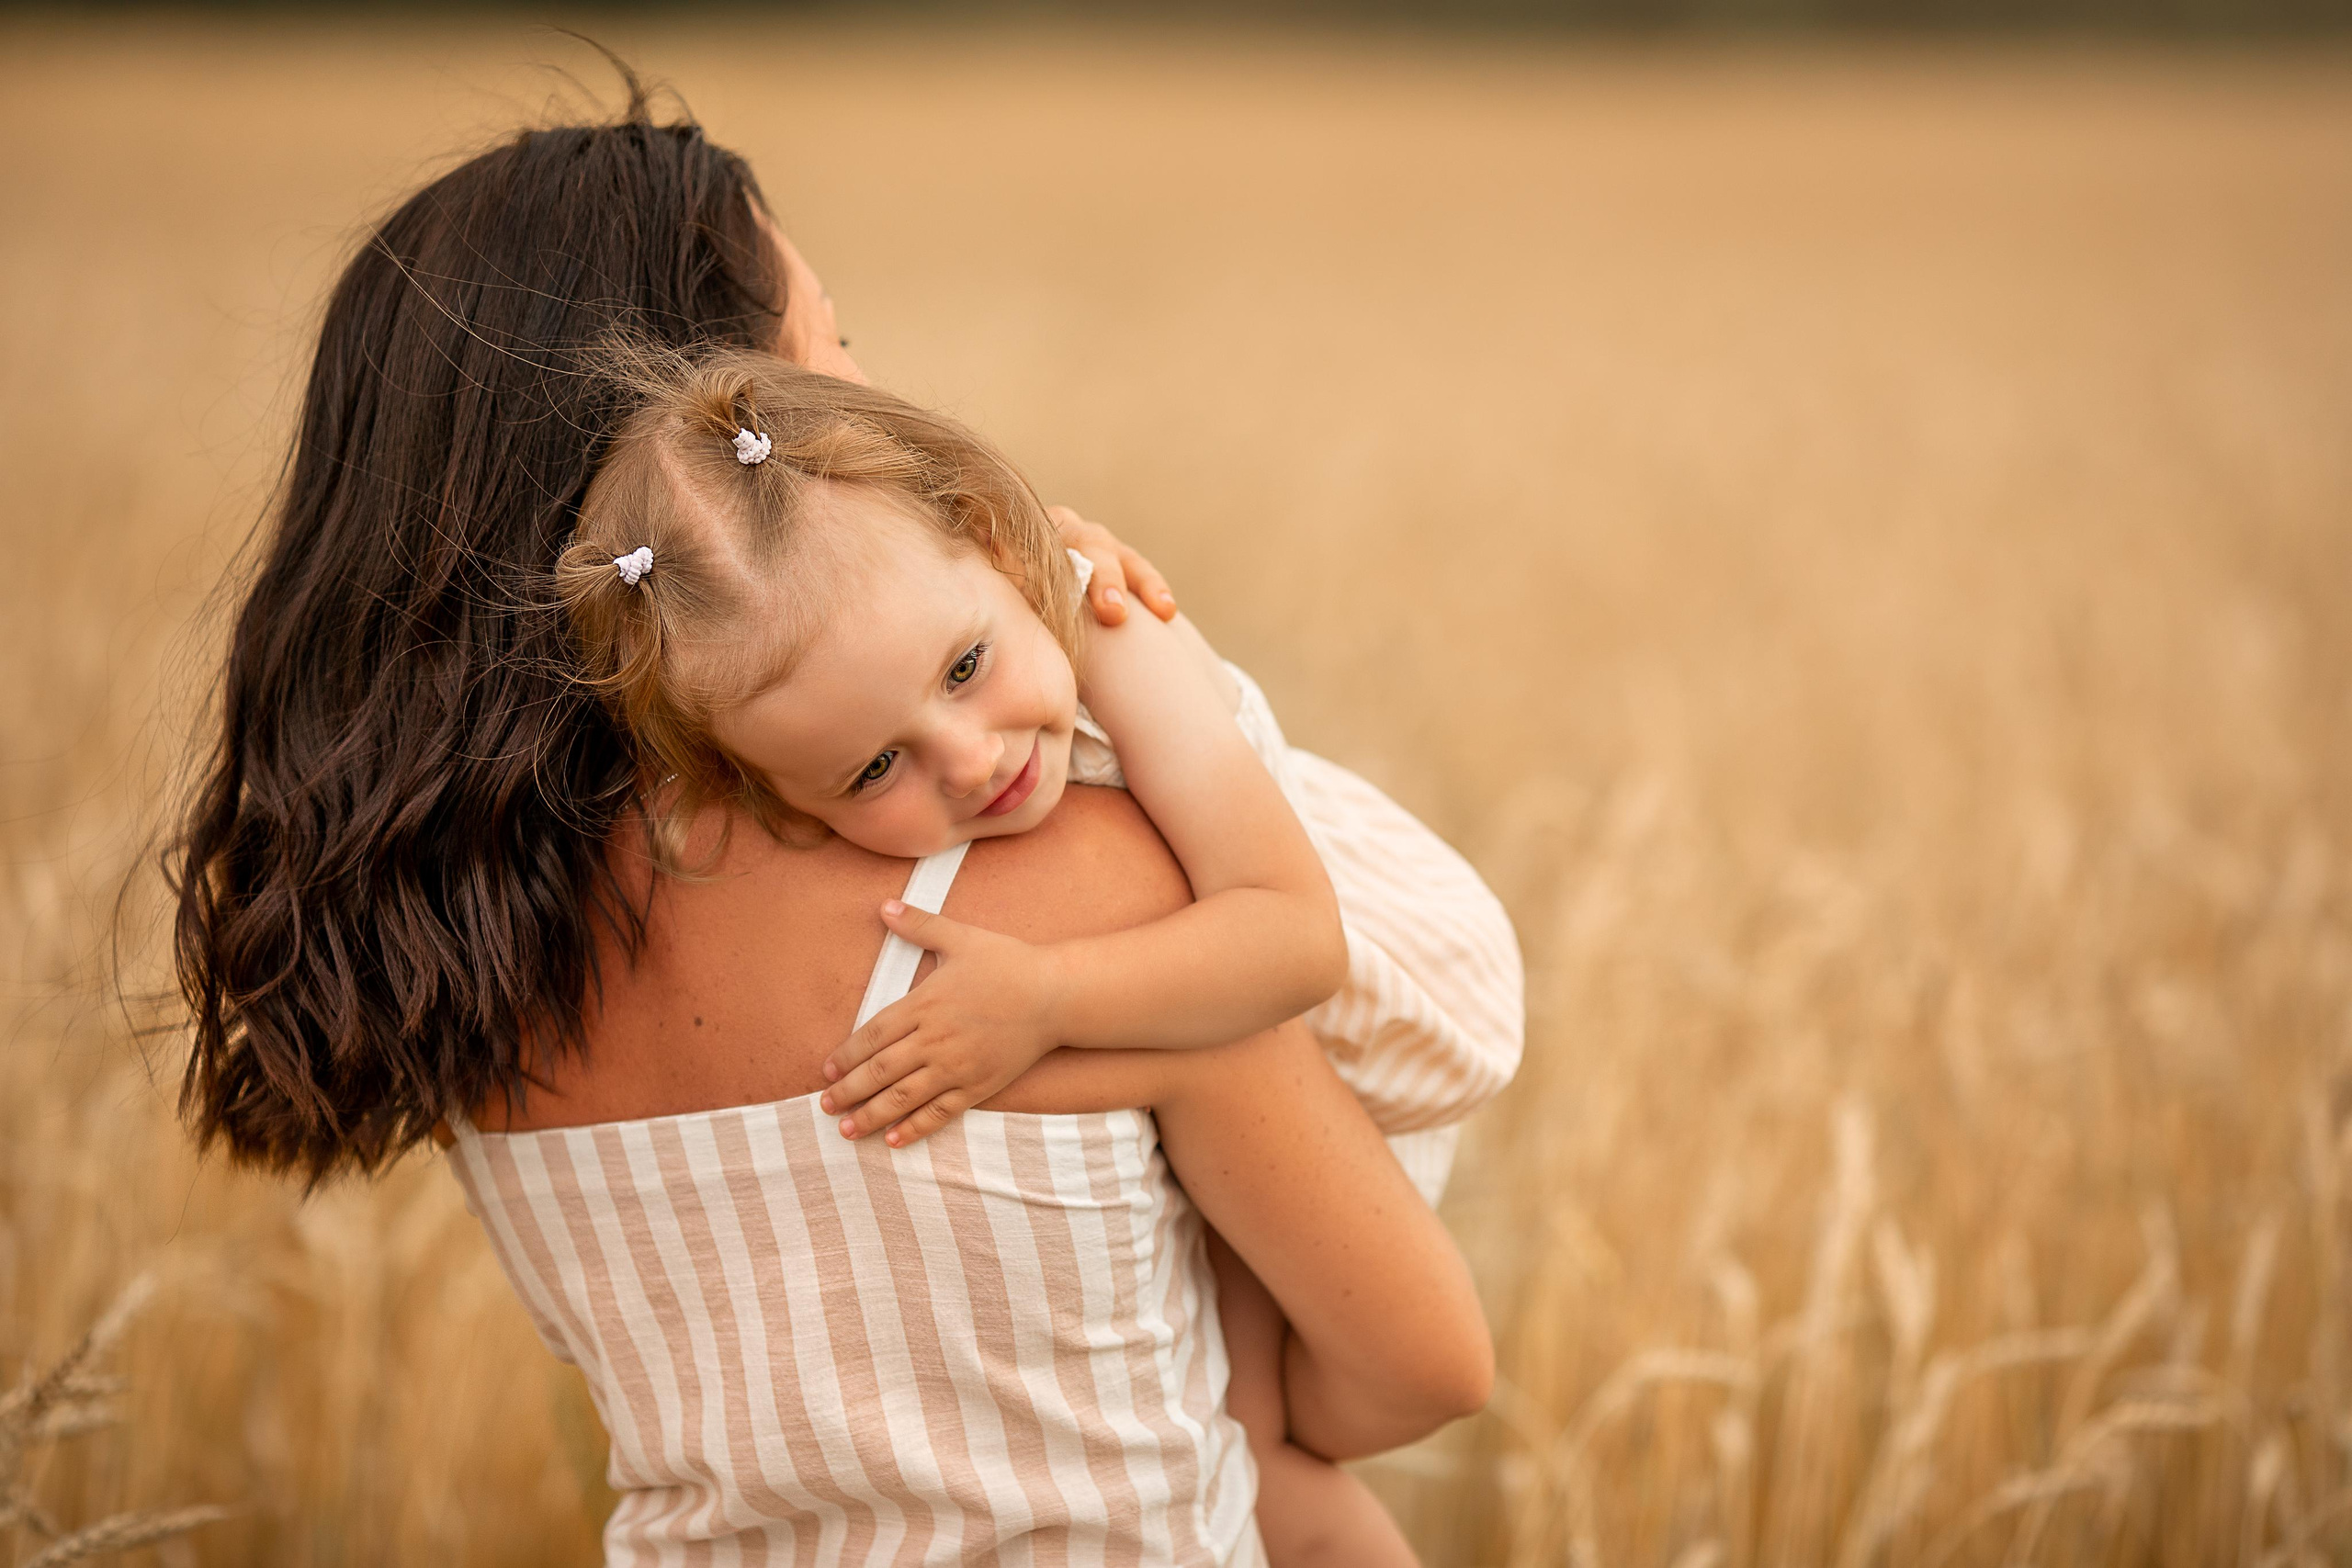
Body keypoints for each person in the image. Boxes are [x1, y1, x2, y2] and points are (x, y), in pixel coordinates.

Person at [171, 83, 1504, 1564]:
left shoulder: (461, 971)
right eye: (833, 343)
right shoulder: (1060, 898)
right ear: (731, 424)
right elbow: (1424, 1363)